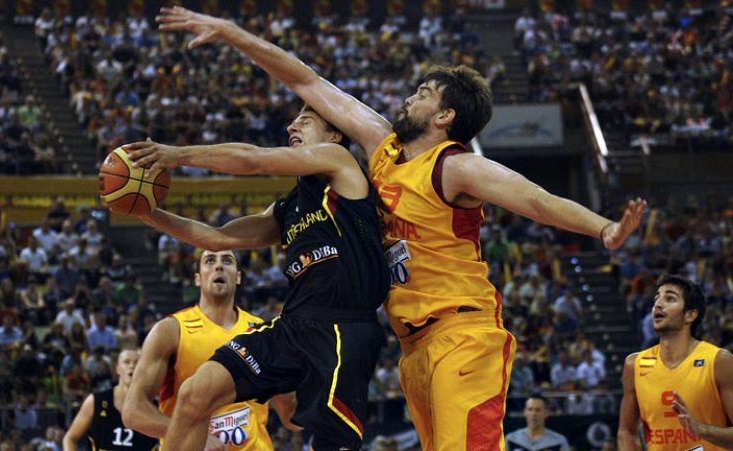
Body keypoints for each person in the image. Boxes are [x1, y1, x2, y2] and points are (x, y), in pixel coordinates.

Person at [155, 6, 647, 449]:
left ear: (445, 116)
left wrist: (603, 228)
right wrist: (232, 32)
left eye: (425, 94)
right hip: (413, 346)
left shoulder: (454, 167)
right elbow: (307, 81)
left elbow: (534, 198)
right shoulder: (382, 149)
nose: (411, 96)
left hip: (463, 333)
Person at [124, 103, 390, 450]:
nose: (293, 126)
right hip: (294, 326)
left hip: (342, 328)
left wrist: (173, 155)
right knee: (193, 394)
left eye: (305, 121)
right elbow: (215, 238)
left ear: (335, 135)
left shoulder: (340, 165)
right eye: (292, 121)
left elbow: (253, 160)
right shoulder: (289, 207)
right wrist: (147, 212)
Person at [122, 250, 287, 449]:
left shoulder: (262, 330)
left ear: (239, 276)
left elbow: (290, 412)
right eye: (210, 261)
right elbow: (133, 410)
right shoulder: (171, 330)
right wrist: (191, 433)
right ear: (198, 278)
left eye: (227, 261)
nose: (219, 266)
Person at [618, 275, 733, 451]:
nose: (658, 304)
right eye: (657, 298)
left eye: (670, 298)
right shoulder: (634, 365)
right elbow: (626, 431)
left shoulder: (718, 361)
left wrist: (701, 429)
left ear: (690, 315)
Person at [62, 349, 158, 451]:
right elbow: (70, 438)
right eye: (126, 362)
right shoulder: (96, 401)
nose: (132, 366)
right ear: (118, 368)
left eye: (137, 363)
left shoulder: (155, 407)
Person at [505, 395, 569, 451]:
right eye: (530, 409)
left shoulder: (558, 442)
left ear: (546, 413)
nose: (534, 414)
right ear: (525, 412)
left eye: (538, 410)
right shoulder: (511, 440)